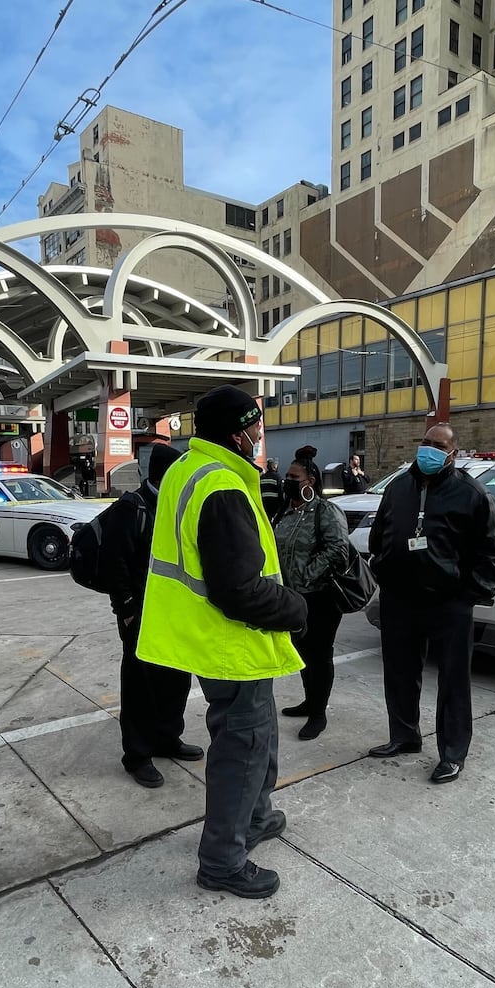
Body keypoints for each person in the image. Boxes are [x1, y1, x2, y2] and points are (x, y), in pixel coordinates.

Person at [138, 385, 307, 900]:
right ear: (239, 432)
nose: (260, 435)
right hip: (232, 643)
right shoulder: (222, 486)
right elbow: (238, 590)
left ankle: (255, 818)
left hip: (210, 638)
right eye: (256, 426)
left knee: (258, 738)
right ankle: (222, 860)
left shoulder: (187, 469)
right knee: (243, 747)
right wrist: (297, 609)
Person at [366, 423, 495, 784]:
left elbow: (491, 554)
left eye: (438, 445)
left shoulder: (472, 495)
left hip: (449, 603)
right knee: (398, 672)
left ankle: (453, 754)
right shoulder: (399, 488)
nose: (429, 450)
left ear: (453, 453)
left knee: (453, 681)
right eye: (425, 442)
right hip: (399, 599)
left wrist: (468, 595)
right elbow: (380, 535)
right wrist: (383, 569)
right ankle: (404, 735)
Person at [99, 441, 204, 788]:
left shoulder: (176, 503)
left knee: (175, 680)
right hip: (140, 614)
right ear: (168, 473)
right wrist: (127, 610)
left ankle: (166, 738)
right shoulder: (134, 507)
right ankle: (137, 755)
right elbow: (115, 563)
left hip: (174, 611)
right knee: (140, 685)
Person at [273, 446, 352, 741]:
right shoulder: (287, 511)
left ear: (311, 481)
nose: (287, 480)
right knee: (304, 653)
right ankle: (309, 702)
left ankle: (318, 714)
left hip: (321, 597)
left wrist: (306, 576)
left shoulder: (325, 511)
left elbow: (337, 550)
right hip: (294, 598)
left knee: (320, 655)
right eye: (287, 475)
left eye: (294, 476)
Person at [259, 457, 285, 523]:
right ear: (274, 467)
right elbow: (281, 492)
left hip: (264, 504)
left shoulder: (262, 477)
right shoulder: (277, 477)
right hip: (274, 505)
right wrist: (282, 505)